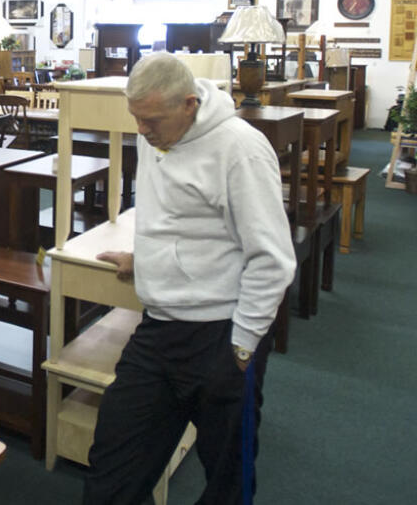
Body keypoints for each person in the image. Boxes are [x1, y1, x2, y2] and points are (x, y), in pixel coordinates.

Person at [84, 52, 296, 505]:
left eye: (152, 120)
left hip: (223, 336)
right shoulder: (154, 132)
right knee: (113, 466)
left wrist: (242, 346)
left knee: (227, 480)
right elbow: (175, 218)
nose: (142, 130)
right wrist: (146, 260)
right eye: (136, 118)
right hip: (160, 330)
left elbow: (272, 259)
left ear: (190, 104)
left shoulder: (240, 149)